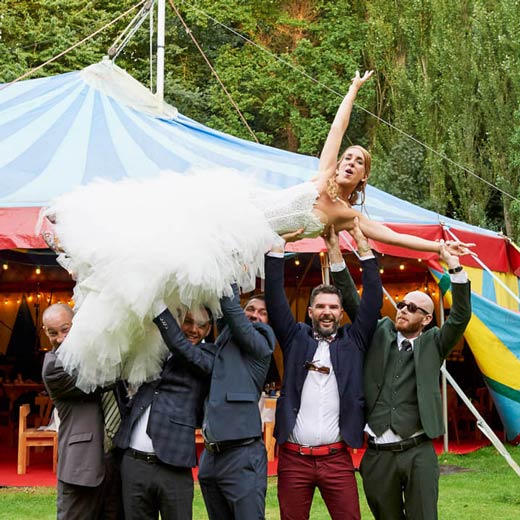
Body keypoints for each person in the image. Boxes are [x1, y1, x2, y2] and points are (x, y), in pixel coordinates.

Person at [42, 70, 471, 392]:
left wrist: (438, 244)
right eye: (348, 156)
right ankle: (83, 247)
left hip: (249, 241)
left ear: (362, 179)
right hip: (239, 211)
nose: (349, 161)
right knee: (165, 227)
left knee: (172, 269)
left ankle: (103, 276)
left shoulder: (346, 217)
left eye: (358, 162)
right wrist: (353, 90)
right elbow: (336, 131)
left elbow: (393, 237)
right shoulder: (321, 176)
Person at [328, 236, 472, 519]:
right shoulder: (378, 330)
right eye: (402, 304)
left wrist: (454, 266)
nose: (403, 310)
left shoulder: (435, 342)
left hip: (418, 451)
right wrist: (335, 254)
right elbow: (351, 299)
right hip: (378, 453)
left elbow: (460, 315)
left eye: (413, 308)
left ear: (427, 319)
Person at [264, 220, 383, 520]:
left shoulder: (353, 341)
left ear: (341, 313)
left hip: (336, 458)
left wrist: (364, 250)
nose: (327, 312)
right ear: (310, 311)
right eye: (320, 306)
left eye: (332, 307)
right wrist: (278, 248)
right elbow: (275, 299)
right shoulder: (294, 338)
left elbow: (371, 303)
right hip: (294, 458)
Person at [115, 305, 216, 520]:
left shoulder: (209, 356)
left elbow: (183, 349)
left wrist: (159, 309)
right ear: (178, 320)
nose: (193, 330)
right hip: (133, 462)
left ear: (208, 331)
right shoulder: (154, 346)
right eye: (188, 321)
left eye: (202, 325)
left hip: (174, 465)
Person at [197, 284, 275, 520]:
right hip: (211, 455)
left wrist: (228, 266)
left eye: (262, 313)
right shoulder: (225, 337)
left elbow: (231, 309)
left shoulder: (262, 344)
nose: (254, 315)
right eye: (250, 309)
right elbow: (225, 311)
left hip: (243, 454)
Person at [41, 303, 124, 520]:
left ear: (77, 324)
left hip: (118, 464)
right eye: (53, 333)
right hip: (81, 468)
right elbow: (105, 377)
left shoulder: (97, 351)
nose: (60, 338)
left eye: (65, 329)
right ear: (45, 332)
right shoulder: (53, 366)